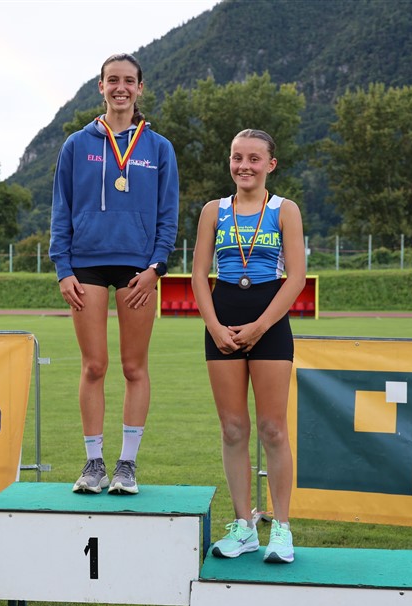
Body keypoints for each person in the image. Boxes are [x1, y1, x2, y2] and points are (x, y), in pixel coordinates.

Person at [50, 53, 179, 496]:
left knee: (133, 366)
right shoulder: (75, 144)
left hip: (138, 267)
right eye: (112, 80)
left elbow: (168, 214)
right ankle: (93, 464)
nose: (120, 87)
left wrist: (157, 267)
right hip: (85, 262)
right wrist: (63, 268)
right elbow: (61, 209)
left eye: (128, 80)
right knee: (93, 366)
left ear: (140, 88)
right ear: (101, 87)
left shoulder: (158, 148)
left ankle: (127, 464)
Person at [191, 129, 305, 563]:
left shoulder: (285, 210)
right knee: (234, 429)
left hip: (269, 323)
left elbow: (296, 277)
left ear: (270, 165)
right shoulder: (213, 211)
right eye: (237, 157)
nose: (244, 166)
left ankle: (282, 528)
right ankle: (243, 527)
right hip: (222, 323)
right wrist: (215, 326)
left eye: (254, 159)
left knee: (273, 429)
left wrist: (260, 325)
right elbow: (199, 276)